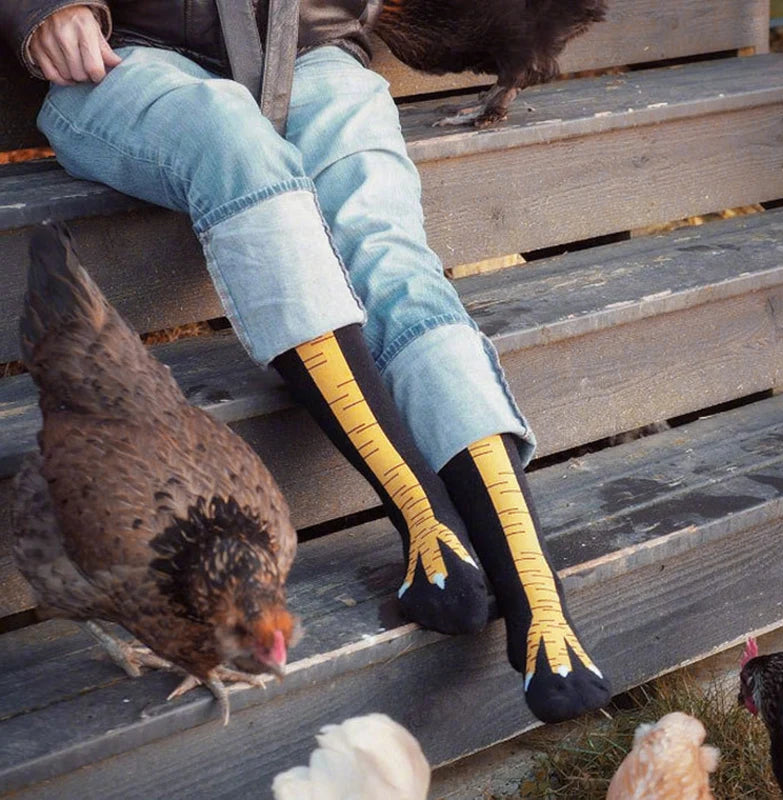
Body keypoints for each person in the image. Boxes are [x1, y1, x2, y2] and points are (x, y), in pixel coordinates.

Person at [0, 0, 611, 723]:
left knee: (391, 259)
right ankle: (424, 515)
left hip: (313, 48)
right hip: (124, 59)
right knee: (231, 139)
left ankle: (538, 601)